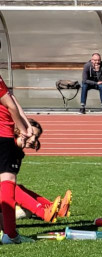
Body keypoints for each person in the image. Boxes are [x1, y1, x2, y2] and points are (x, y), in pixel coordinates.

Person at [0, 71, 38, 245]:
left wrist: (28, 125)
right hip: (3, 134)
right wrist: (23, 130)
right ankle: (11, 234)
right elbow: (11, 106)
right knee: (7, 180)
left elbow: (12, 100)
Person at [9, 120, 72, 222]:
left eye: (36, 137)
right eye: (31, 135)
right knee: (10, 186)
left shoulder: (17, 153)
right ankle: (43, 213)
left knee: (16, 187)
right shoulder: (6, 146)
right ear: (19, 131)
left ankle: (54, 208)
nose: (33, 139)